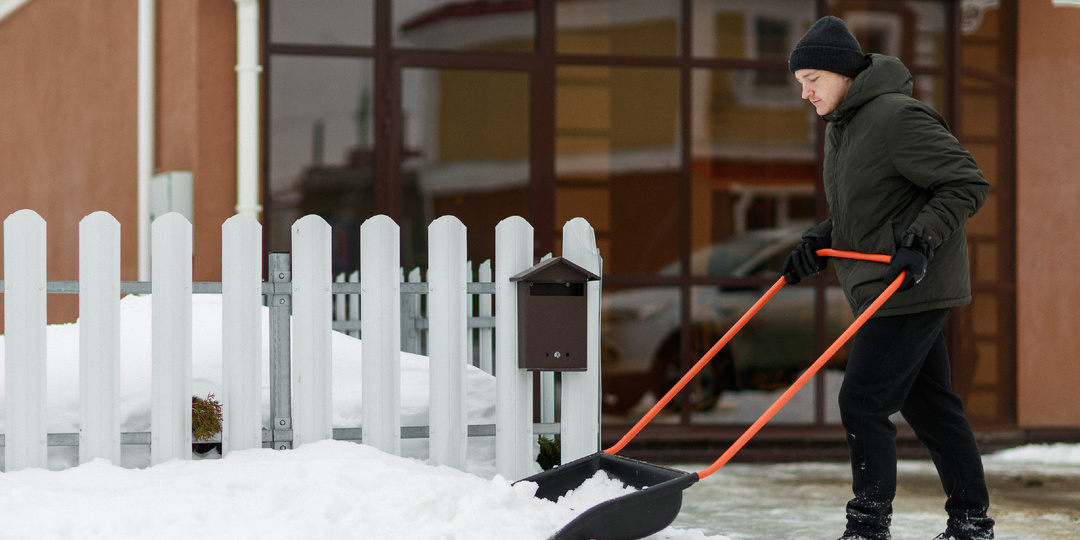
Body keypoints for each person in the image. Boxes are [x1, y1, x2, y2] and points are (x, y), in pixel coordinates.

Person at [780, 16, 994, 540]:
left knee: (862, 401)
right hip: (881, 286)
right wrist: (820, 239)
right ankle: (971, 521)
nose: (805, 93)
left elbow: (967, 182)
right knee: (933, 410)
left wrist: (920, 241)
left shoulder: (897, 117)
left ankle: (868, 526)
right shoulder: (845, 127)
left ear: (842, 72)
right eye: (799, 83)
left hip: (909, 288)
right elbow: (871, 212)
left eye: (812, 79)